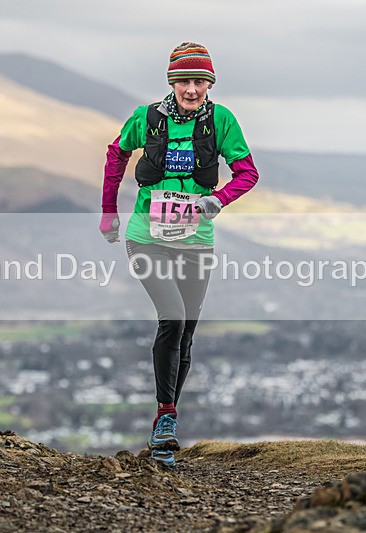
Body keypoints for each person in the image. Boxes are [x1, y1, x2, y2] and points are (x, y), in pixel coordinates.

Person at [99, 42, 259, 466]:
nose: (191, 89)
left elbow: (248, 173)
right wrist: (108, 213)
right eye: (184, 81)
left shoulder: (222, 121)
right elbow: (116, 155)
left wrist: (219, 199)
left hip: (195, 241)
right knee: (171, 318)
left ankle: (164, 422)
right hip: (146, 237)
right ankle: (166, 418)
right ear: (172, 82)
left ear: (210, 84)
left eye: (199, 81)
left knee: (185, 332)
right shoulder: (147, 118)